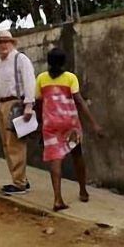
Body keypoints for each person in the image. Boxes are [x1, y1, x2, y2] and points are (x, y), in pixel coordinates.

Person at [35, 47, 102, 211]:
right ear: (64, 62)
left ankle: (57, 199)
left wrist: (40, 125)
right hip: (69, 124)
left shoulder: (41, 79)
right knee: (77, 155)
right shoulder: (70, 78)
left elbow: (38, 103)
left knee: (55, 159)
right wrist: (94, 124)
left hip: (50, 124)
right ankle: (83, 191)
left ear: (48, 62)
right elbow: (79, 101)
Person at [0, 30, 36, 195]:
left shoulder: (20, 59)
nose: (3, 45)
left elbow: (30, 82)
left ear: (12, 43)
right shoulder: (0, 63)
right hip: (2, 104)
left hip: (15, 103)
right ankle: (19, 178)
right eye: (0, 42)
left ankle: (19, 182)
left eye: (6, 42)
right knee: (7, 144)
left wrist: (29, 105)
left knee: (15, 144)